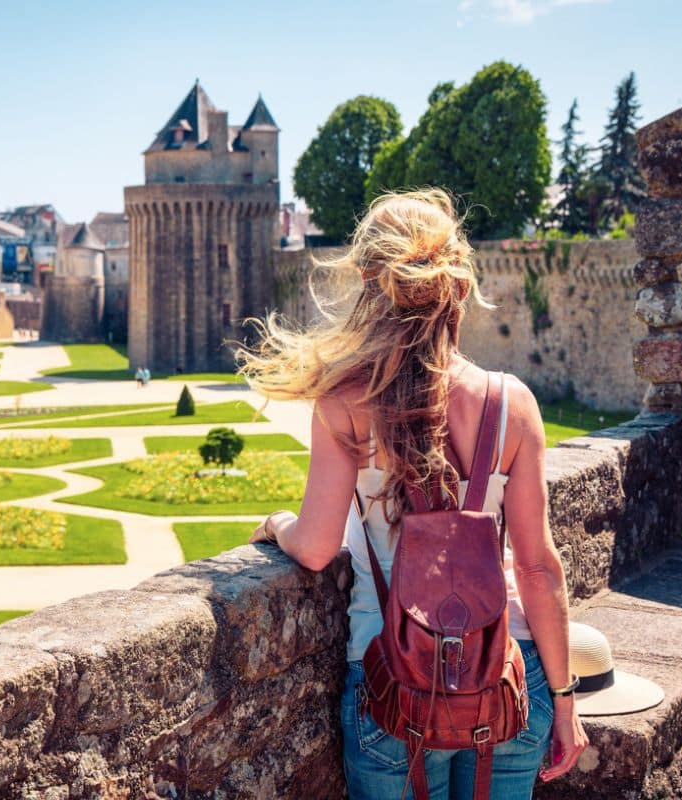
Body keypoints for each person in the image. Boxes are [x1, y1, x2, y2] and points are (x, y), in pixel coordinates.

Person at [239, 189, 587, 798]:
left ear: (371, 286)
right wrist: (563, 700)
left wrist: (276, 525)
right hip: (506, 675)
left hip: (391, 682)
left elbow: (317, 549)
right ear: (458, 286)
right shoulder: (513, 405)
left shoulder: (345, 402)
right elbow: (536, 567)